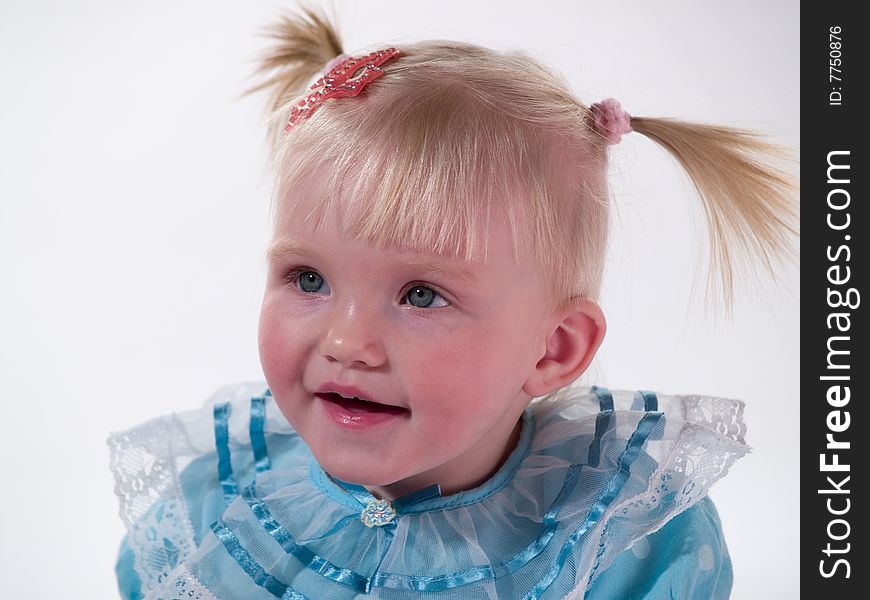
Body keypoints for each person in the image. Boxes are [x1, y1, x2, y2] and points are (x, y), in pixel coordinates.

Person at [109, 7, 797, 599]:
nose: (347, 342)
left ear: (554, 348)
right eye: (309, 279)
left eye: (421, 294)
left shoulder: (619, 542)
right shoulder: (221, 513)